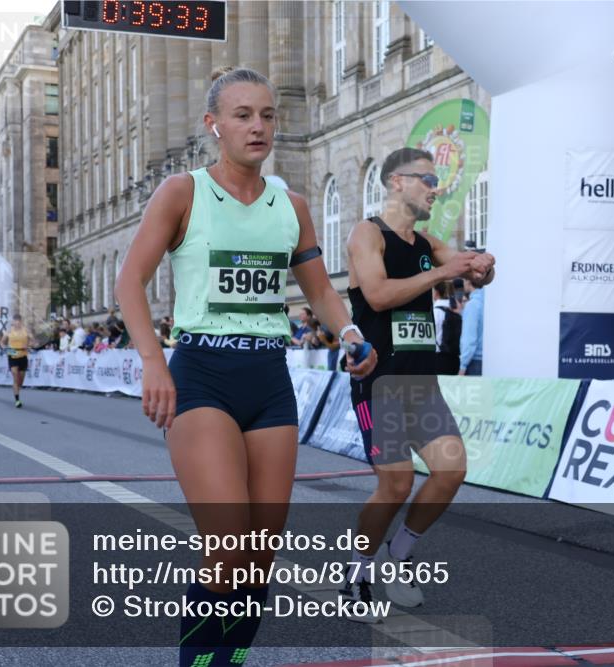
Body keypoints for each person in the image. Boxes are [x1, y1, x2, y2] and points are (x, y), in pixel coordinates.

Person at [113, 66, 377, 666]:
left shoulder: (293, 205)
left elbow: (321, 293)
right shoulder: (183, 192)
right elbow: (130, 282)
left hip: (269, 380)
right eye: (242, 115)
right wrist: (154, 362)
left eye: (266, 115)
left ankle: (225, 661)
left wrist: (352, 334)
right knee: (228, 546)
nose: (257, 127)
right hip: (201, 375)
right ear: (214, 125)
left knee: (259, 554)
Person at [344, 146, 494, 617]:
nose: (436, 188)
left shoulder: (429, 244)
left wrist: (483, 266)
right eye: (427, 180)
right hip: (379, 380)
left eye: (437, 182)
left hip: (421, 382)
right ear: (396, 182)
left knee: (450, 472)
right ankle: (356, 571)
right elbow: (378, 294)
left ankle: (400, 554)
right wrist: (448, 271)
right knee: (395, 484)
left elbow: (471, 272)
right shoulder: (369, 235)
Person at [0, 314, 32, 408]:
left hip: (23, 356)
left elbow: (33, 341)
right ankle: (17, 400)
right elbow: (2, 342)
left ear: (21, 322)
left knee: (20, 381)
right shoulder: (9, 331)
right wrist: (6, 349)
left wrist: (29, 345)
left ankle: (17, 388)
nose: (17, 323)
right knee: (15, 375)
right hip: (13, 355)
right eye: (15, 321)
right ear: (13, 322)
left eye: (18, 321)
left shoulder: (26, 331)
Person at [432, 282, 461, 375]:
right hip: (455, 358)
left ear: (436, 293)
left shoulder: (435, 312)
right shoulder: (458, 311)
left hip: (438, 359)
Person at [458, 278, 485, 375]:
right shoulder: (487, 302)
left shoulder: (472, 305)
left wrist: (462, 366)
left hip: (473, 361)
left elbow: (469, 339)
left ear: (468, 280)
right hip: (486, 361)